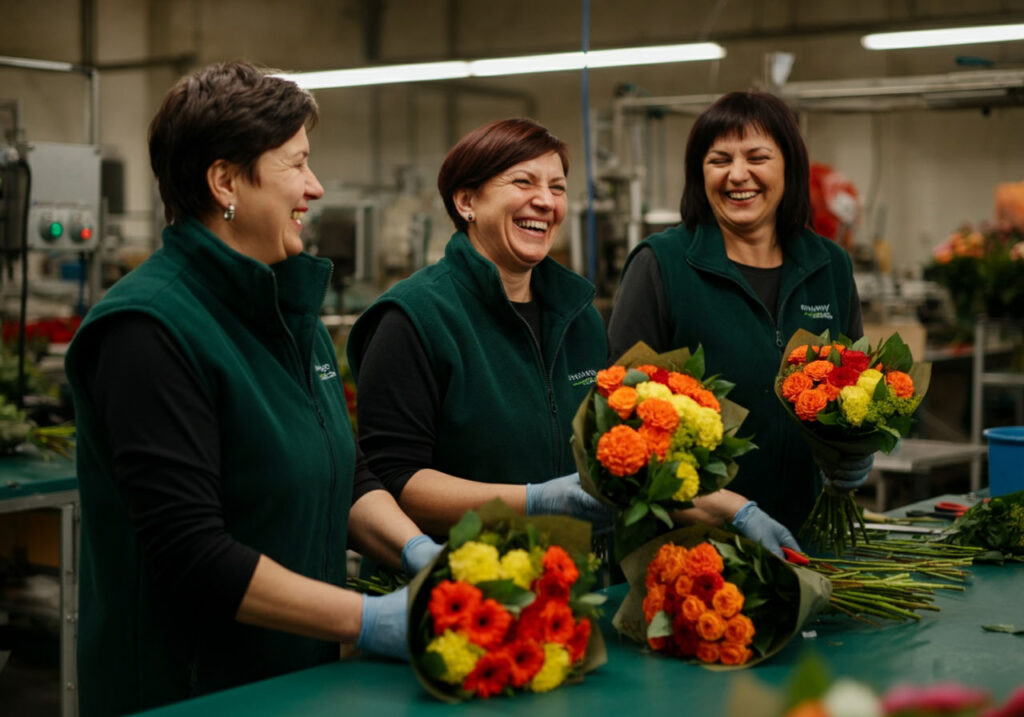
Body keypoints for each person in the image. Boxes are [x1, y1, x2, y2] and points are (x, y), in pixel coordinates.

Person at [63, 61, 440, 717]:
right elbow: (195, 554)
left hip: (296, 678)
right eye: (296, 164)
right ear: (225, 181)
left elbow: (341, 472)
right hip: (187, 689)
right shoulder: (146, 329)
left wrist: (426, 557)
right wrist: (373, 618)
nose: (315, 187)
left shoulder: (287, 308)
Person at [607, 90, 871, 539]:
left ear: (788, 166)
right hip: (690, 548)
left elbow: (856, 385)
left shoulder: (828, 264)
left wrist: (856, 450)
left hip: (805, 535)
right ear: (699, 174)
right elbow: (623, 421)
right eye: (719, 160)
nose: (738, 175)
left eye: (757, 156)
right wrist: (731, 513)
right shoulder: (661, 265)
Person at [346, 118, 613, 536]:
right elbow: (394, 480)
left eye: (557, 188)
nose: (546, 201)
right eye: (523, 182)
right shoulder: (414, 318)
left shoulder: (580, 315)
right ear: (467, 201)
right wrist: (533, 502)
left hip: (576, 580)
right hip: (465, 586)